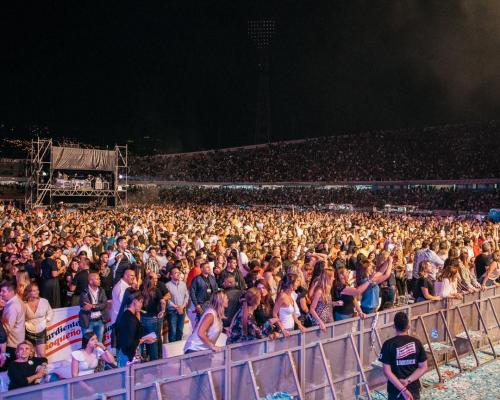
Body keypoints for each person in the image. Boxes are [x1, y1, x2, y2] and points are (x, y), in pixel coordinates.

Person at [380, 312, 428, 400]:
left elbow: (387, 372)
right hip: (413, 388)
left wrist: (402, 389)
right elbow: (423, 367)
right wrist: (408, 380)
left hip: (395, 389)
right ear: (408, 326)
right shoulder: (417, 343)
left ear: (394, 326)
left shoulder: (388, 344)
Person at [115, 289, 156, 367]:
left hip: (128, 354)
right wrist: (145, 339)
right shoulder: (130, 319)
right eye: (140, 302)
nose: (141, 304)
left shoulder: (128, 315)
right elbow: (129, 343)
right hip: (128, 357)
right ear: (134, 301)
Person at [140, 273, 168, 361]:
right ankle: (154, 362)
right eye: (155, 279)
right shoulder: (156, 290)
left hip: (142, 318)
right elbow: (163, 302)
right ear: (151, 280)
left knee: (144, 339)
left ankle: (145, 358)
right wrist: (162, 311)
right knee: (153, 341)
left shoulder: (141, 289)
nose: (156, 280)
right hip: (152, 319)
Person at [23, 283, 53, 357]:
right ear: (28, 292)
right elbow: (21, 317)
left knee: (42, 354)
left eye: (37, 290)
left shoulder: (44, 301)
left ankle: (44, 368)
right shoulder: (24, 304)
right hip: (28, 331)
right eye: (33, 290)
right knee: (31, 355)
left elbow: (50, 312)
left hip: (41, 330)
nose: (37, 292)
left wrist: (46, 321)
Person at [79, 272, 108, 343]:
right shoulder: (84, 292)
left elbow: (104, 304)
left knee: (99, 344)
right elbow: (87, 307)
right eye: (97, 279)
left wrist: (93, 306)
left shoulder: (102, 290)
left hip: (100, 321)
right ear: (91, 281)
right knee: (88, 345)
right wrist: (97, 306)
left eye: (99, 279)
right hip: (88, 322)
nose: (99, 280)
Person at [1, 280, 25, 361]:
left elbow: (6, 329)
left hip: (12, 345)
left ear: (11, 292)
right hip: (16, 343)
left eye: (3, 291)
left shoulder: (13, 306)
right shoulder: (17, 299)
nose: (1, 293)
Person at [166, 266, 189, 342]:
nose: (178, 274)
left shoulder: (183, 284)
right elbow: (167, 299)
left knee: (180, 330)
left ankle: (178, 347)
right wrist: (175, 306)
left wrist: (183, 306)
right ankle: (172, 351)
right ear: (171, 275)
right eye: (175, 273)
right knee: (173, 331)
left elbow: (186, 296)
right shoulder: (167, 285)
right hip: (172, 311)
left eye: (179, 273)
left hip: (182, 310)